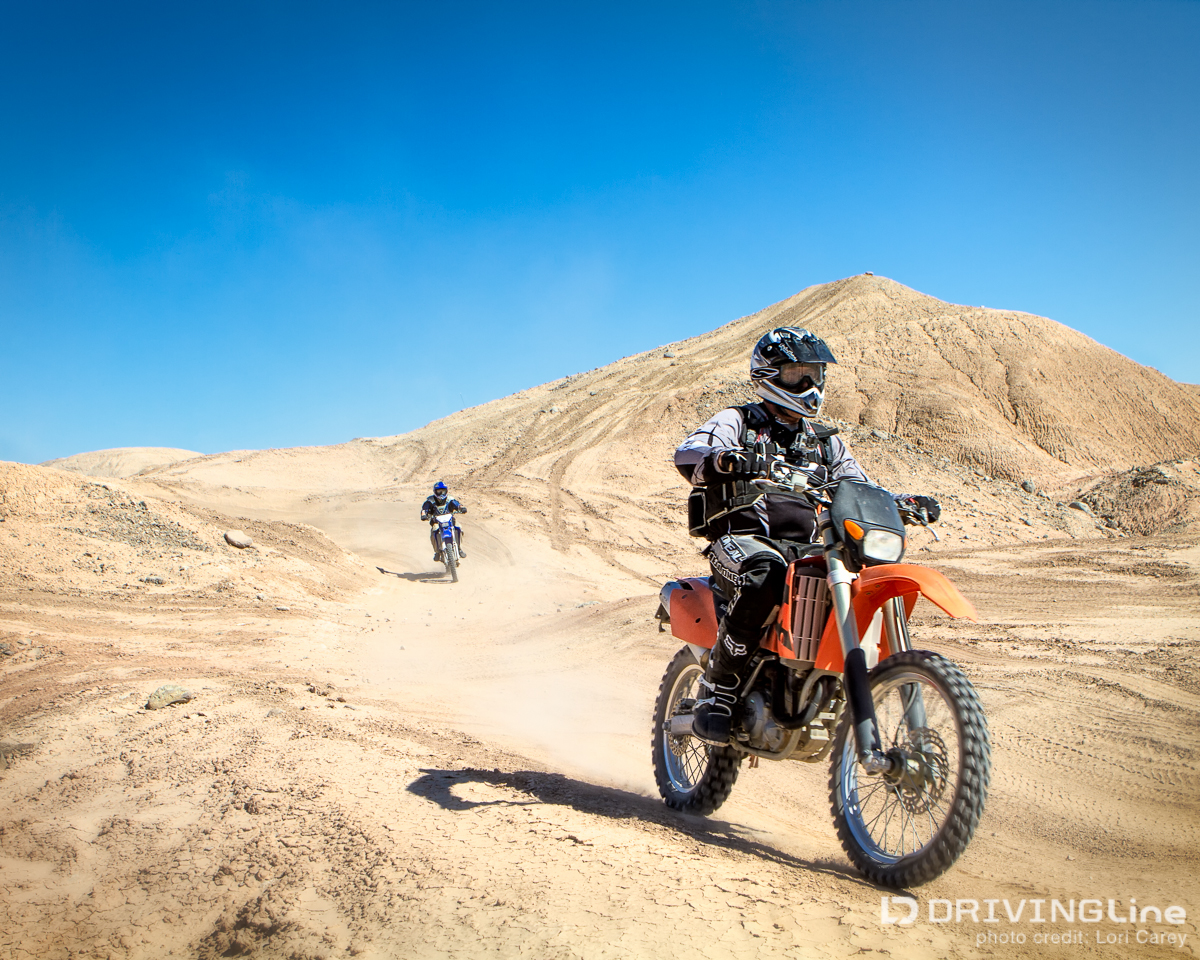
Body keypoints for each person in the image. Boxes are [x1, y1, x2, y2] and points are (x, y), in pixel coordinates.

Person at [674, 327, 940, 745]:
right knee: (765, 574)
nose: (810, 385)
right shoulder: (738, 421)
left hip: (807, 547)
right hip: (742, 539)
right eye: (797, 374)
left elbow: (859, 486)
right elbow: (689, 453)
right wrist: (725, 459)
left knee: (855, 582)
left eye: (815, 374)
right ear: (768, 374)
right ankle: (719, 689)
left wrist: (899, 501)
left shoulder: (825, 443)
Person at [420, 481, 468, 562]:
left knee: (458, 527)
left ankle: (459, 548)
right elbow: (424, 509)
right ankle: (437, 552)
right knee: (434, 531)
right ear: (435, 491)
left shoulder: (450, 499)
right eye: (439, 491)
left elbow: (457, 504)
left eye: (443, 491)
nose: (441, 494)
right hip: (436, 521)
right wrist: (424, 514)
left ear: (446, 491)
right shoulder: (430, 500)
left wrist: (461, 508)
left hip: (450, 520)